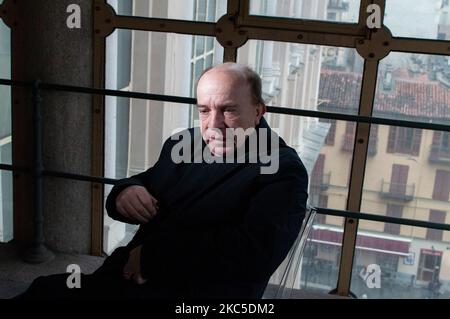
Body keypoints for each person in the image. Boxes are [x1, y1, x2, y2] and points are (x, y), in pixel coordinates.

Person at [16, 62, 309, 299]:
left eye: (228, 110)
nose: (214, 124)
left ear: (259, 111)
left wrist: (152, 257)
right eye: (205, 110)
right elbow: (146, 182)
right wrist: (126, 191)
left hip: (199, 295)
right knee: (43, 290)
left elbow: (253, 254)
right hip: (133, 277)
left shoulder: (283, 169)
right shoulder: (184, 144)